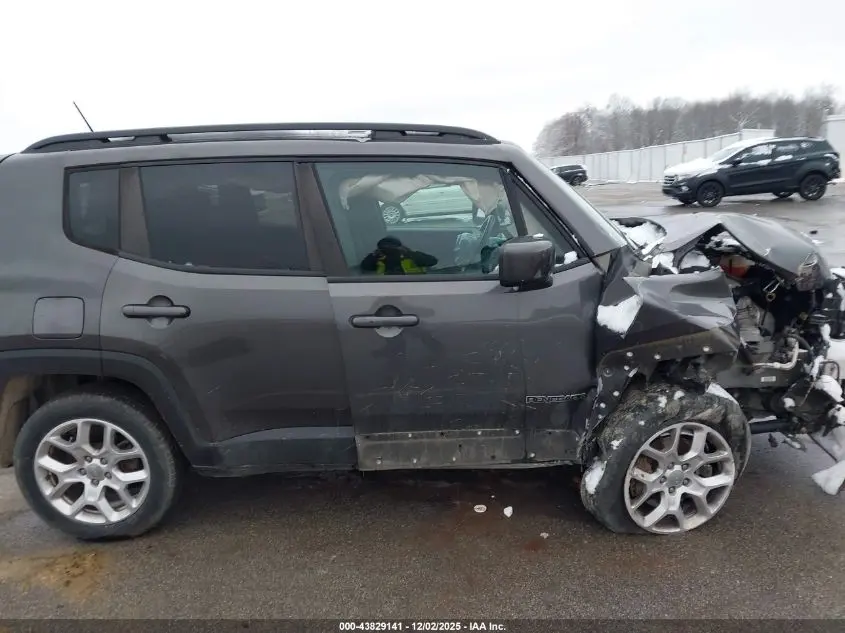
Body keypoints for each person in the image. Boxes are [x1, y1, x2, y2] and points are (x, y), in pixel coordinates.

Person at [360, 236, 438, 275]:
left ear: (400, 247)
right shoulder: (378, 259)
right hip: (385, 287)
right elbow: (365, 267)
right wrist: (374, 255)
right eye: (385, 249)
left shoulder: (410, 257)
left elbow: (433, 261)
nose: (390, 251)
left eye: (393, 248)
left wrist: (410, 253)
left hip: (414, 286)